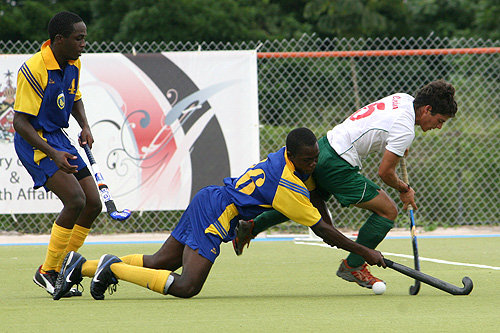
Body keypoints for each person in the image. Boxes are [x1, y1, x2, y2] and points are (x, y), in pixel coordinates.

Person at [53, 127, 386, 300]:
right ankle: (113, 267)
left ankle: (81, 267)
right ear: (294, 156)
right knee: (186, 287)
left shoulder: (286, 159)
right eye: (309, 161)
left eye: (316, 160)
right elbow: (321, 228)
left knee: (162, 263)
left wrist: (326, 223)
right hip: (216, 211)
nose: (314, 165)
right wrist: (365, 251)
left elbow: (315, 197)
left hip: (209, 198)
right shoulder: (286, 186)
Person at [232, 80, 458, 289]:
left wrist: (395, 146)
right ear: (427, 109)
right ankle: (354, 265)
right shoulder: (406, 129)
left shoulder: (402, 99)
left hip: (324, 148)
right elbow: (385, 173)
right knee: (387, 211)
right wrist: (404, 189)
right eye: (439, 121)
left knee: (305, 202)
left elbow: (376, 128)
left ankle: (252, 227)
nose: (439, 126)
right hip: (339, 164)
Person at [13, 11, 101, 297]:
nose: (83, 44)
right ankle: (47, 272)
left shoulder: (73, 62)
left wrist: (85, 125)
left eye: (84, 38)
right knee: (75, 200)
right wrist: (52, 153)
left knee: (93, 204)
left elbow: (74, 97)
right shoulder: (33, 69)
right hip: (35, 142)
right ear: (58, 40)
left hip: (58, 139)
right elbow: (20, 123)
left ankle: (62, 267)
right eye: (79, 38)